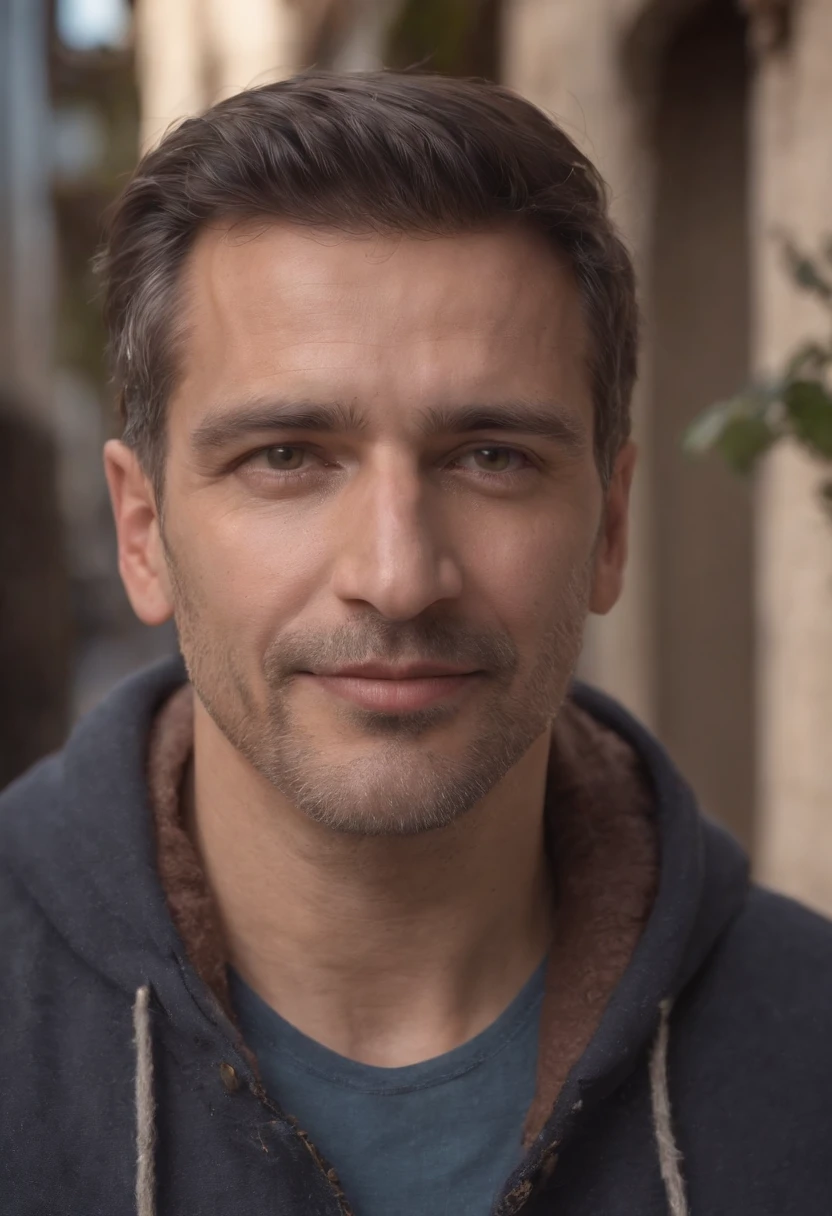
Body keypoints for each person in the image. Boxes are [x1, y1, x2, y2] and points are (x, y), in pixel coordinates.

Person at [1, 71, 830, 1216]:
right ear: (143, 531)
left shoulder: (810, 1057)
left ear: (611, 526)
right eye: (287, 455)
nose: (396, 576)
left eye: (490, 455)